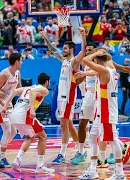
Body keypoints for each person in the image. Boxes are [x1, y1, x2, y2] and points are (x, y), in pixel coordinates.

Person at [39, 28, 87, 164]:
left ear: (71, 49)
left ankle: (62, 154)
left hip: (68, 98)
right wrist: (45, 38)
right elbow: (54, 51)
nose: (63, 50)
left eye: (65, 48)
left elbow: (82, 53)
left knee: (64, 126)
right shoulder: (64, 60)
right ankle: (81, 151)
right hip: (61, 97)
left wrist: (83, 37)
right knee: (70, 125)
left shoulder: (73, 61)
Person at [78, 50, 125, 180]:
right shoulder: (108, 70)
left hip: (107, 111)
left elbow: (85, 60)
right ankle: (93, 170)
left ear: (98, 61)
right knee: (93, 137)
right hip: (100, 111)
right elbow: (93, 70)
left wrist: (95, 53)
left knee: (113, 141)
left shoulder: (105, 71)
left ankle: (120, 173)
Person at [0, 73, 55, 173]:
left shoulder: (29, 87)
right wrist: (32, 109)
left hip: (14, 114)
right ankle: (40, 166)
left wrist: (4, 107)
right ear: (47, 82)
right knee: (43, 136)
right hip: (24, 114)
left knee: (31, 136)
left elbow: (15, 91)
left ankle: (18, 160)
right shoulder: (44, 90)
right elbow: (33, 93)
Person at [0, 53, 23, 167]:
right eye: (21, 61)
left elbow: (19, 90)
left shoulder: (18, 73)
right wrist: (3, 104)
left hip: (9, 105)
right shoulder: (4, 74)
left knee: (14, 131)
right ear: (16, 62)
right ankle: (2, 157)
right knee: (7, 130)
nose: (22, 63)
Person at [70, 42, 97, 165]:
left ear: (95, 51)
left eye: (90, 50)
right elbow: (80, 79)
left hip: (98, 95)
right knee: (81, 124)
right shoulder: (86, 65)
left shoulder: (99, 62)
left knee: (101, 126)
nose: (88, 52)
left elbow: (98, 73)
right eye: (86, 51)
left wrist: (84, 74)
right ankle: (80, 152)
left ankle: (110, 151)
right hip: (88, 95)